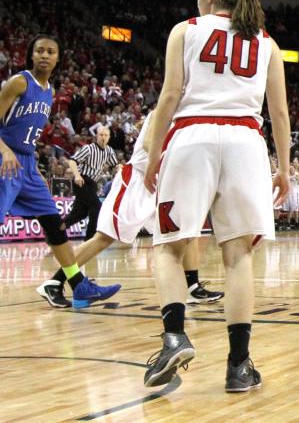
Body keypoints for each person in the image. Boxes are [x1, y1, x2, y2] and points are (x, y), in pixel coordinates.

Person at [141, 0, 291, 392]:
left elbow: (169, 96)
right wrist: (283, 167)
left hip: (193, 136)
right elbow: (279, 113)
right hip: (246, 140)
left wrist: (153, 155)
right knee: (238, 255)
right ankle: (239, 366)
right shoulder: (267, 42)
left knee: (170, 247)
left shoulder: (185, 30)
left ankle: (174, 337)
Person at [36, 113, 222, 308]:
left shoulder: (189, 115)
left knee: (186, 231)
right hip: (137, 182)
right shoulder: (165, 108)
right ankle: (55, 282)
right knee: (104, 238)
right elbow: (149, 144)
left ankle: (193, 287)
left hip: (160, 185)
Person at [1, 34, 120, 308]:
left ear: (57, 57)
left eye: (50, 51)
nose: (44, 55)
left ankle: (78, 286)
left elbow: (29, 132)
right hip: (4, 158)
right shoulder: (20, 82)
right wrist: (5, 151)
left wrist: (32, 164)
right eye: (39, 50)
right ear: (31, 55)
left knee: (53, 223)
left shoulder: (48, 91)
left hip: (27, 165)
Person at [63, 126, 119, 240]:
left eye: (105, 135)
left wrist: (122, 169)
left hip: (92, 184)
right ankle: (89, 240)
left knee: (79, 214)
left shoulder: (109, 151)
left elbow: (116, 165)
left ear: (109, 137)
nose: (103, 137)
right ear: (96, 136)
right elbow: (72, 161)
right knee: (97, 208)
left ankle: (56, 230)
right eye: (101, 135)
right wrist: (77, 176)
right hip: (82, 181)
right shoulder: (89, 149)